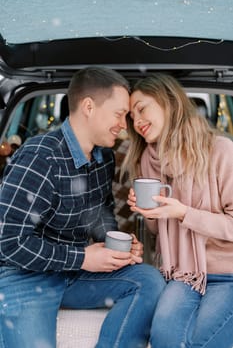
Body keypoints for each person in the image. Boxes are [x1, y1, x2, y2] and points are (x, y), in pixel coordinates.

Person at [0, 67, 166, 348]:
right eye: (118, 114)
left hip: (74, 273)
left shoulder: (104, 158)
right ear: (88, 107)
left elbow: (99, 214)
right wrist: (81, 258)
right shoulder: (40, 157)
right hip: (25, 275)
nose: (125, 126)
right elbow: (7, 242)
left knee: (148, 280)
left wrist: (115, 246)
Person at [123, 73, 233, 348]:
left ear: (169, 102)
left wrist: (184, 213)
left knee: (201, 341)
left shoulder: (221, 151)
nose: (136, 122)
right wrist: (149, 214)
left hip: (227, 272)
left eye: (142, 109)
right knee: (164, 338)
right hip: (182, 273)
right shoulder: (146, 161)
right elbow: (156, 232)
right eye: (131, 116)